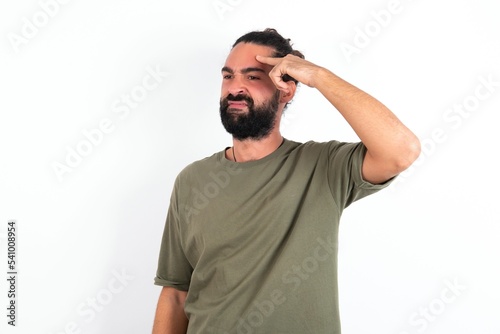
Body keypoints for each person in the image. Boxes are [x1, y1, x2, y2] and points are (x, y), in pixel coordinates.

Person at [152, 28, 421, 334]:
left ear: (287, 88)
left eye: (253, 77)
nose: (235, 88)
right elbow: (175, 293)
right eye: (228, 76)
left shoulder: (323, 167)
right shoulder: (192, 180)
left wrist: (318, 75)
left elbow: (402, 151)